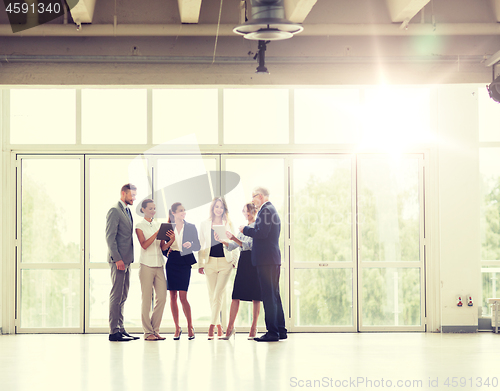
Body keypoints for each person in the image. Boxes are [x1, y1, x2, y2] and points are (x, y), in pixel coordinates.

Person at [240, 187, 287, 342]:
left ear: (260, 196)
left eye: (253, 197)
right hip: (271, 259)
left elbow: (261, 233)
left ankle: (272, 332)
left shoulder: (266, 210)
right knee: (274, 295)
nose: (252, 201)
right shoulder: (270, 209)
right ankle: (281, 330)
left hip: (266, 260)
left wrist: (244, 229)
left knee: (268, 296)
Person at [199, 197, 240, 340]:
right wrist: (200, 264)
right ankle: (219, 326)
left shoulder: (228, 223)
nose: (218, 209)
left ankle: (211, 326)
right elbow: (201, 244)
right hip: (209, 263)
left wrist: (234, 261)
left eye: (221, 207)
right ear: (212, 208)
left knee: (218, 293)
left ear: (224, 209)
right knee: (213, 295)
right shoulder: (204, 224)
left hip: (225, 263)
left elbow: (234, 241)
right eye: (216, 206)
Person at [220, 202, 261, 340]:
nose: (245, 214)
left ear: (254, 211)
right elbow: (234, 245)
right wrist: (224, 241)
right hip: (243, 262)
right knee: (236, 295)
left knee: (256, 296)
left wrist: (234, 238)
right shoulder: (243, 228)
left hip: (253, 262)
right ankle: (230, 328)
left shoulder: (256, 227)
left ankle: (254, 328)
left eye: (247, 211)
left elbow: (249, 245)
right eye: (244, 211)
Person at [106, 183, 139, 341]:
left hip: (127, 260)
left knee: (123, 295)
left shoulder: (126, 211)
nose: (134, 198)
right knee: (116, 295)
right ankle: (114, 332)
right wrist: (117, 258)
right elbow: (110, 237)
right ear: (123, 193)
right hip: (118, 260)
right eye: (132, 195)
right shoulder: (114, 210)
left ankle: (120, 327)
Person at [135, 198, 173, 341]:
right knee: (146, 299)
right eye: (150, 208)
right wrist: (156, 234)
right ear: (143, 209)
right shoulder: (139, 225)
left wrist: (171, 240)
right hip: (146, 265)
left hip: (159, 265)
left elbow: (162, 247)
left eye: (154, 208)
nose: (153, 211)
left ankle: (155, 330)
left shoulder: (159, 225)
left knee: (162, 298)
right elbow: (144, 245)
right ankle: (147, 332)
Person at [163, 202, 200, 340]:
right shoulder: (167, 227)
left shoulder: (191, 227)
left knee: (183, 297)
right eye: (180, 211)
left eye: (184, 210)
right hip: (172, 261)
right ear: (173, 213)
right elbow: (163, 247)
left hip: (185, 262)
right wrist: (167, 251)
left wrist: (190, 244)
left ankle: (190, 326)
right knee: (172, 296)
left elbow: (197, 245)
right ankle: (177, 327)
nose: (183, 213)